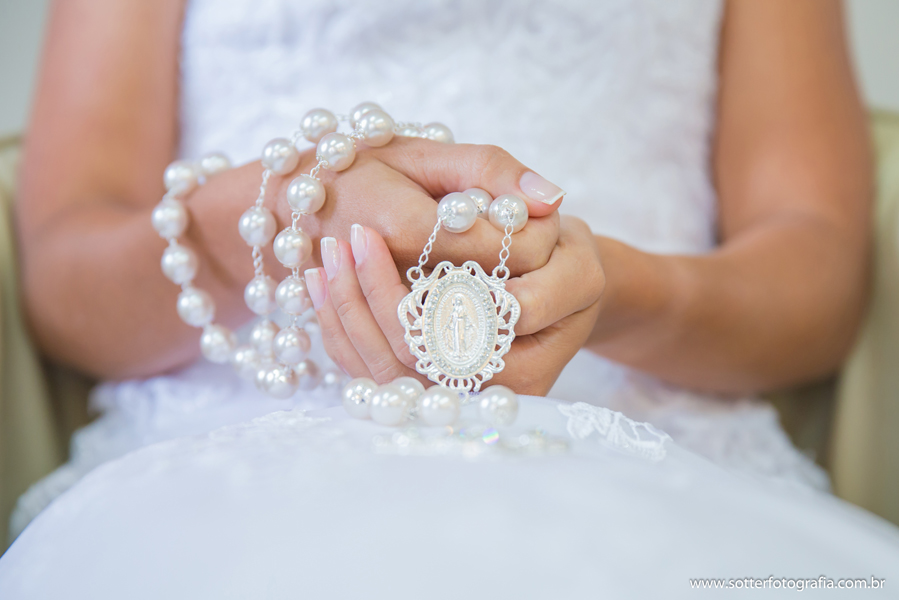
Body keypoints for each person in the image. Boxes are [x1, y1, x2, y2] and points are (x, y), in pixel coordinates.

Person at [9, 0, 873, 540]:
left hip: (648, 428)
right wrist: (276, 218)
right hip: (230, 434)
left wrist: (609, 290)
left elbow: (817, 282)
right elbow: (62, 283)